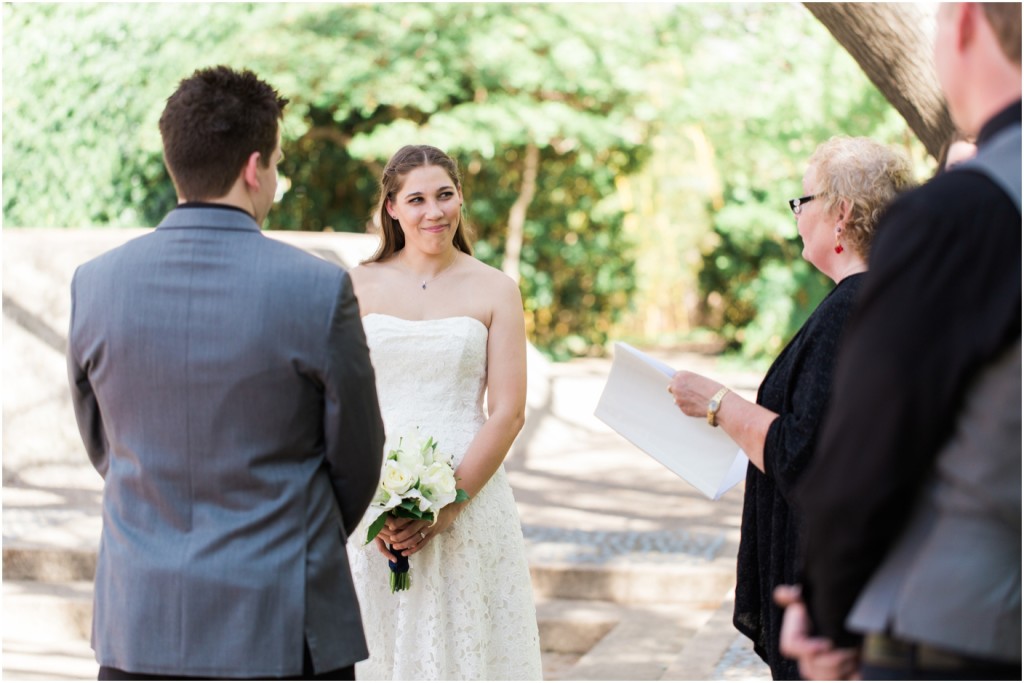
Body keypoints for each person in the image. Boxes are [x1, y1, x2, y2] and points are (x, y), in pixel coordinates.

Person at [67, 66, 385, 680]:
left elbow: (104, 445)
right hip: (282, 623)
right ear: (252, 167)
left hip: (142, 622)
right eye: (278, 164)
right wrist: (299, 533)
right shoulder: (317, 288)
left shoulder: (95, 284)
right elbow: (359, 457)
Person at [779, 3, 1021, 680]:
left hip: (969, 624)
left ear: (968, 22)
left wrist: (827, 610)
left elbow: (876, 435)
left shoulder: (960, 213)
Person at [668, 137, 914, 679]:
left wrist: (717, 403)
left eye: (804, 201)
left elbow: (807, 455)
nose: (798, 215)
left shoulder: (851, 311)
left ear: (842, 214)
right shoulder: (887, 300)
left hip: (830, 587)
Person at [346, 144, 543, 680]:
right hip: (371, 497)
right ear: (391, 207)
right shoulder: (357, 285)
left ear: (459, 199)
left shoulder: (497, 289)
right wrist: (370, 499)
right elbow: (337, 401)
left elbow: (508, 412)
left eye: (445, 195)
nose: (433, 212)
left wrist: (448, 506)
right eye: (416, 199)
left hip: (469, 494)